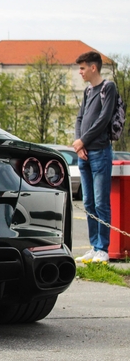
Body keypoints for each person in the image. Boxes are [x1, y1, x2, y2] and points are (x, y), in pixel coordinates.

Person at [72, 51, 117, 264]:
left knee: (101, 203)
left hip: (100, 152)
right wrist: (77, 142)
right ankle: (93, 246)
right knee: (88, 202)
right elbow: (80, 118)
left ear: (93, 67)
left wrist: (83, 141)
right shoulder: (88, 91)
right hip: (84, 154)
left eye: (82, 68)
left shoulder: (108, 88)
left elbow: (103, 119)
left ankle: (103, 249)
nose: (80, 72)